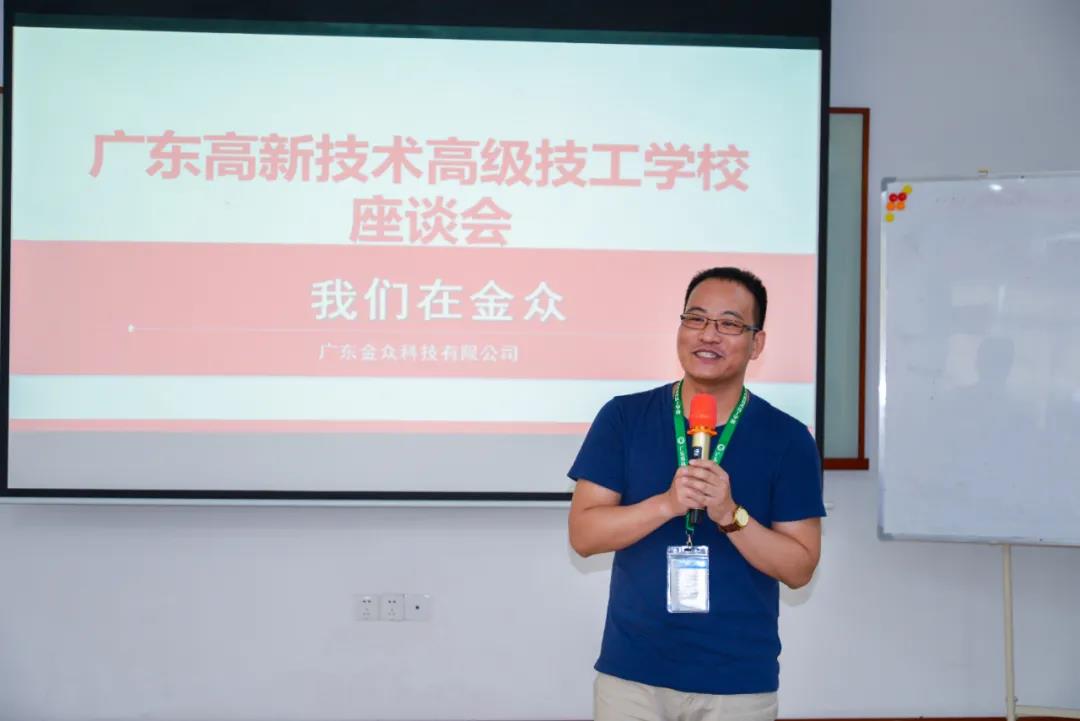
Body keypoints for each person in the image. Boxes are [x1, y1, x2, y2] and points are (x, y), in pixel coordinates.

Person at [568, 266, 825, 721]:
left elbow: (799, 567)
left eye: (729, 323)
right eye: (696, 318)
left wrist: (731, 515)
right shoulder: (624, 418)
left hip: (737, 682)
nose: (709, 334)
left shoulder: (787, 438)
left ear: (757, 343)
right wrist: (667, 504)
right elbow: (584, 535)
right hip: (633, 676)